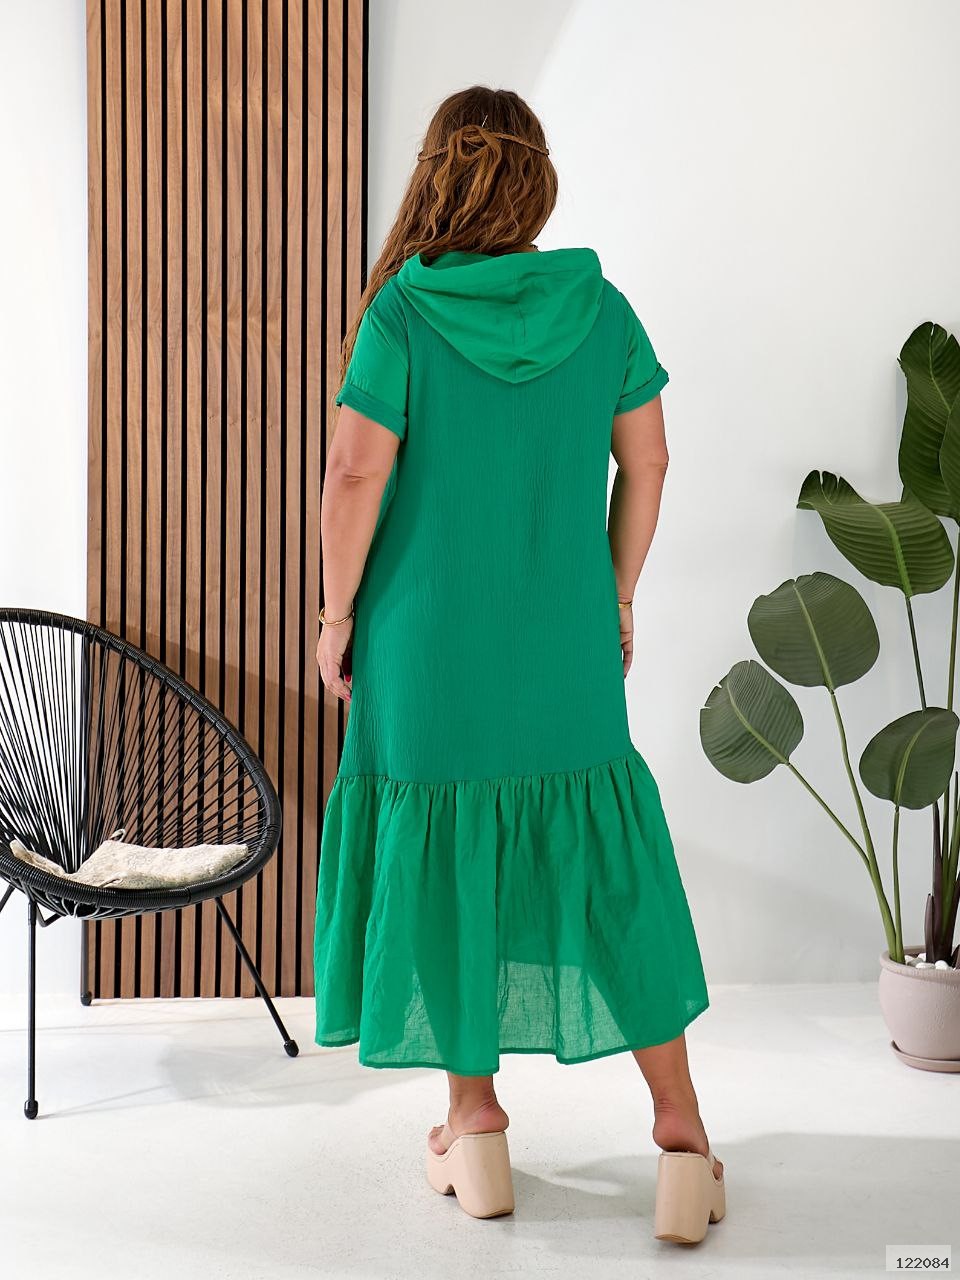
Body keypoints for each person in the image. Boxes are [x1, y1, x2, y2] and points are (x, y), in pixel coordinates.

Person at [314, 84, 725, 1244]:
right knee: (609, 867)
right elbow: (648, 460)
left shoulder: (404, 312)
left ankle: (476, 1122)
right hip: (564, 648)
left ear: (437, 175)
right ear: (535, 182)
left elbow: (354, 473)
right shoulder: (602, 309)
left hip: (424, 651)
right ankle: (681, 1131)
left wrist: (338, 616)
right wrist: (618, 593)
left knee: (446, 860)